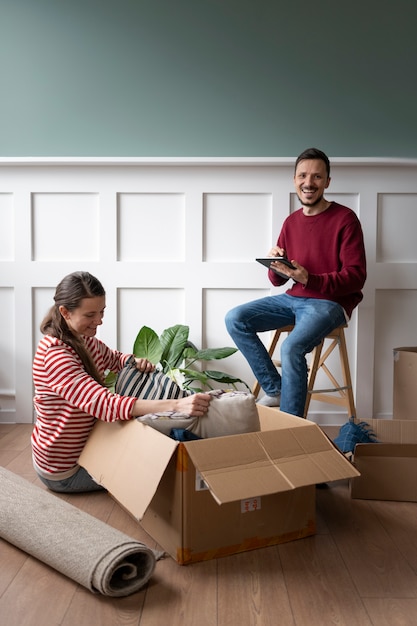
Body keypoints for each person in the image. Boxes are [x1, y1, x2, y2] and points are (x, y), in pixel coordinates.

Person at [31, 271, 211, 493]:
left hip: (87, 447)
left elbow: (114, 358)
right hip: (66, 470)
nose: (99, 321)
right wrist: (176, 406)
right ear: (65, 312)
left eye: (102, 311)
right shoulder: (56, 357)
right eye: (90, 315)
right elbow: (107, 405)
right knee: (165, 469)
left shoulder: (83, 339)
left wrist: (134, 360)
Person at [225, 147, 367, 418]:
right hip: (293, 298)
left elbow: (357, 276)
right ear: (294, 180)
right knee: (235, 318)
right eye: (303, 175)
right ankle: (275, 388)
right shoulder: (291, 222)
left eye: (316, 176)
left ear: (327, 182)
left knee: (291, 347)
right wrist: (276, 264)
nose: (308, 182)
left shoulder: (346, 219)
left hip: (329, 304)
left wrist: (310, 279)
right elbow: (276, 281)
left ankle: (291, 427)